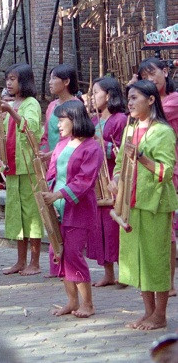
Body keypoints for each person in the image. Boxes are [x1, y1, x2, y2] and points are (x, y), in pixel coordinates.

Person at [111, 80, 178, 330]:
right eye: (128, 98)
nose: (129, 102)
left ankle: (160, 315)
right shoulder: (130, 128)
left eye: (135, 98)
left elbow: (166, 170)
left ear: (151, 100)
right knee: (137, 259)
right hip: (130, 203)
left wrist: (140, 157)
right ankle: (148, 312)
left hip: (154, 204)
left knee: (155, 259)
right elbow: (119, 163)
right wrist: (116, 179)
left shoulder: (163, 131)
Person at [41, 101, 103, 319]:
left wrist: (59, 195)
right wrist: (49, 194)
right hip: (57, 207)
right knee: (60, 252)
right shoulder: (62, 144)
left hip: (78, 209)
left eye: (62, 119)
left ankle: (88, 303)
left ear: (75, 119)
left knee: (73, 254)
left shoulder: (92, 147)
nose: (58, 124)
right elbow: (52, 173)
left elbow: (85, 180)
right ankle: (71, 301)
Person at [0, 63, 44, 276]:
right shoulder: (12, 103)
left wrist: (10, 112)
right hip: (12, 167)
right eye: (7, 78)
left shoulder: (31, 103)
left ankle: (34, 262)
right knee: (16, 215)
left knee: (31, 214)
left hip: (27, 166)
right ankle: (20, 261)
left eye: (13, 78)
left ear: (23, 81)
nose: (8, 82)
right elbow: (6, 133)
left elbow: (31, 128)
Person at [135, 57, 178, 296]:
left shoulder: (171, 101)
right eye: (144, 78)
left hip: (166, 169)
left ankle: (167, 281)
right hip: (147, 173)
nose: (149, 80)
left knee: (165, 228)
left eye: (152, 74)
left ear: (165, 72)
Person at [87, 77, 127, 287]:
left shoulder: (120, 119)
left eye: (96, 93)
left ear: (109, 95)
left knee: (114, 227)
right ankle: (108, 272)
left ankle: (124, 271)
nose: (93, 97)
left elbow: (123, 151)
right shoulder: (93, 121)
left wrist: (103, 145)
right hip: (96, 180)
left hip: (113, 177)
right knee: (99, 228)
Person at [40, 64, 82, 160]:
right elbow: (46, 134)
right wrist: (43, 151)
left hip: (69, 159)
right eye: (50, 79)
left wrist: (51, 154)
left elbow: (77, 138)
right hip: (49, 160)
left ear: (66, 81)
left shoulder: (76, 106)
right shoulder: (52, 105)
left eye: (54, 78)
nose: (50, 82)